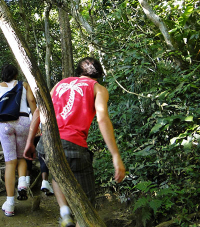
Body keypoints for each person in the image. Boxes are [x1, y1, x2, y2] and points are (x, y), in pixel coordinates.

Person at [24, 57, 126, 227]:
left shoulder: (60, 84)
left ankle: (65, 213)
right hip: (74, 146)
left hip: (46, 143)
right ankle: (75, 219)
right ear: (99, 73)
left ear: (78, 72)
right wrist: (116, 156)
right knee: (86, 208)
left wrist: (30, 142)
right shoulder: (98, 89)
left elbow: (39, 112)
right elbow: (102, 119)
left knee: (57, 173)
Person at [0, 64, 37, 217]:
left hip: (5, 124)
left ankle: (9, 204)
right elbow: (32, 103)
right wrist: (37, 124)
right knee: (22, 156)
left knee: (10, 162)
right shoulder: (24, 85)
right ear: (16, 74)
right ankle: (22, 182)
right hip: (23, 121)